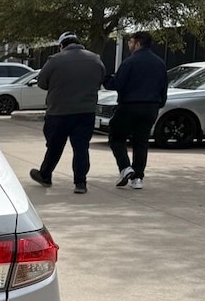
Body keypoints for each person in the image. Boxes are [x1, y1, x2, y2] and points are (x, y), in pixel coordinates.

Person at [30, 31, 106, 194]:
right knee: (81, 148)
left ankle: (45, 175)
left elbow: (41, 82)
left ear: (61, 46)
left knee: (54, 147)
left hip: (58, 112)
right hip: (85, 112)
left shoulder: (55, 60)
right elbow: (101, 79)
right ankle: (80, 183)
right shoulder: (95, 59)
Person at [103, 31, 168, 189]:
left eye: (131, 42)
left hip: (129, 105)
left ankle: (125, 167)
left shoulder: (130, 62)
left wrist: (106, 79)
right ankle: (138, 178)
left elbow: (118, 84)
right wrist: (159, 104)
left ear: (138, 44)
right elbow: (163, 87)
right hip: (151, 107)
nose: (129, 45)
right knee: (141, 142)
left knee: (116, 137)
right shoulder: (160, 63)